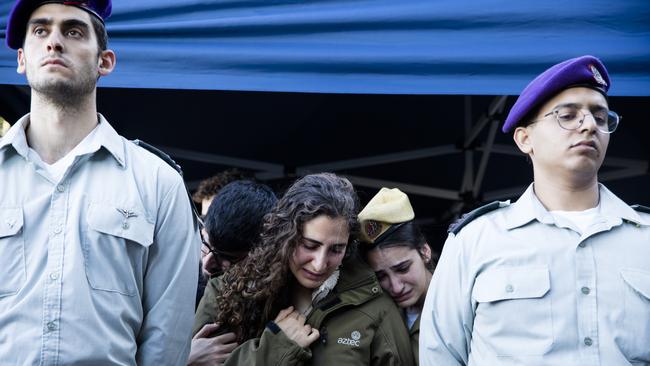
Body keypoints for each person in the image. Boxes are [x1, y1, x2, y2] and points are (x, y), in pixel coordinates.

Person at [0, 1, 201, 364]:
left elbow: (167, 337)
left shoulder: (158, 183)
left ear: (104, 61)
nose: (54, 42)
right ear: (21, 59)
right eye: (40, 30)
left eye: (73, 31)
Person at [420, 55, 650, 365]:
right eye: (568, 115)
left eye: (600, 116)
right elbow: (441, 356)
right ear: (525, 139)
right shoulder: (475, 241)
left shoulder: (645, 238)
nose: (589, 125)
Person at [193, 173, 415, 365]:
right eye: (310, 245)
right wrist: (276, 348)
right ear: (285, 234)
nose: (320, 263)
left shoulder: (376, 308)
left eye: (336, 249)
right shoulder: (229, 292)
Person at [190, 180, 278, 366]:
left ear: (261, 254)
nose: (207, 264)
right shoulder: (174, 278)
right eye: (206, 245)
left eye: (227, 257)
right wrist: (184, 358)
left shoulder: (273, 298)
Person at [358, 188, 436, 365]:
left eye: (403, 268)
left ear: (425, 252)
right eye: (381, 276)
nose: (396, 287)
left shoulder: (457, 304)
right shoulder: (380, 312)